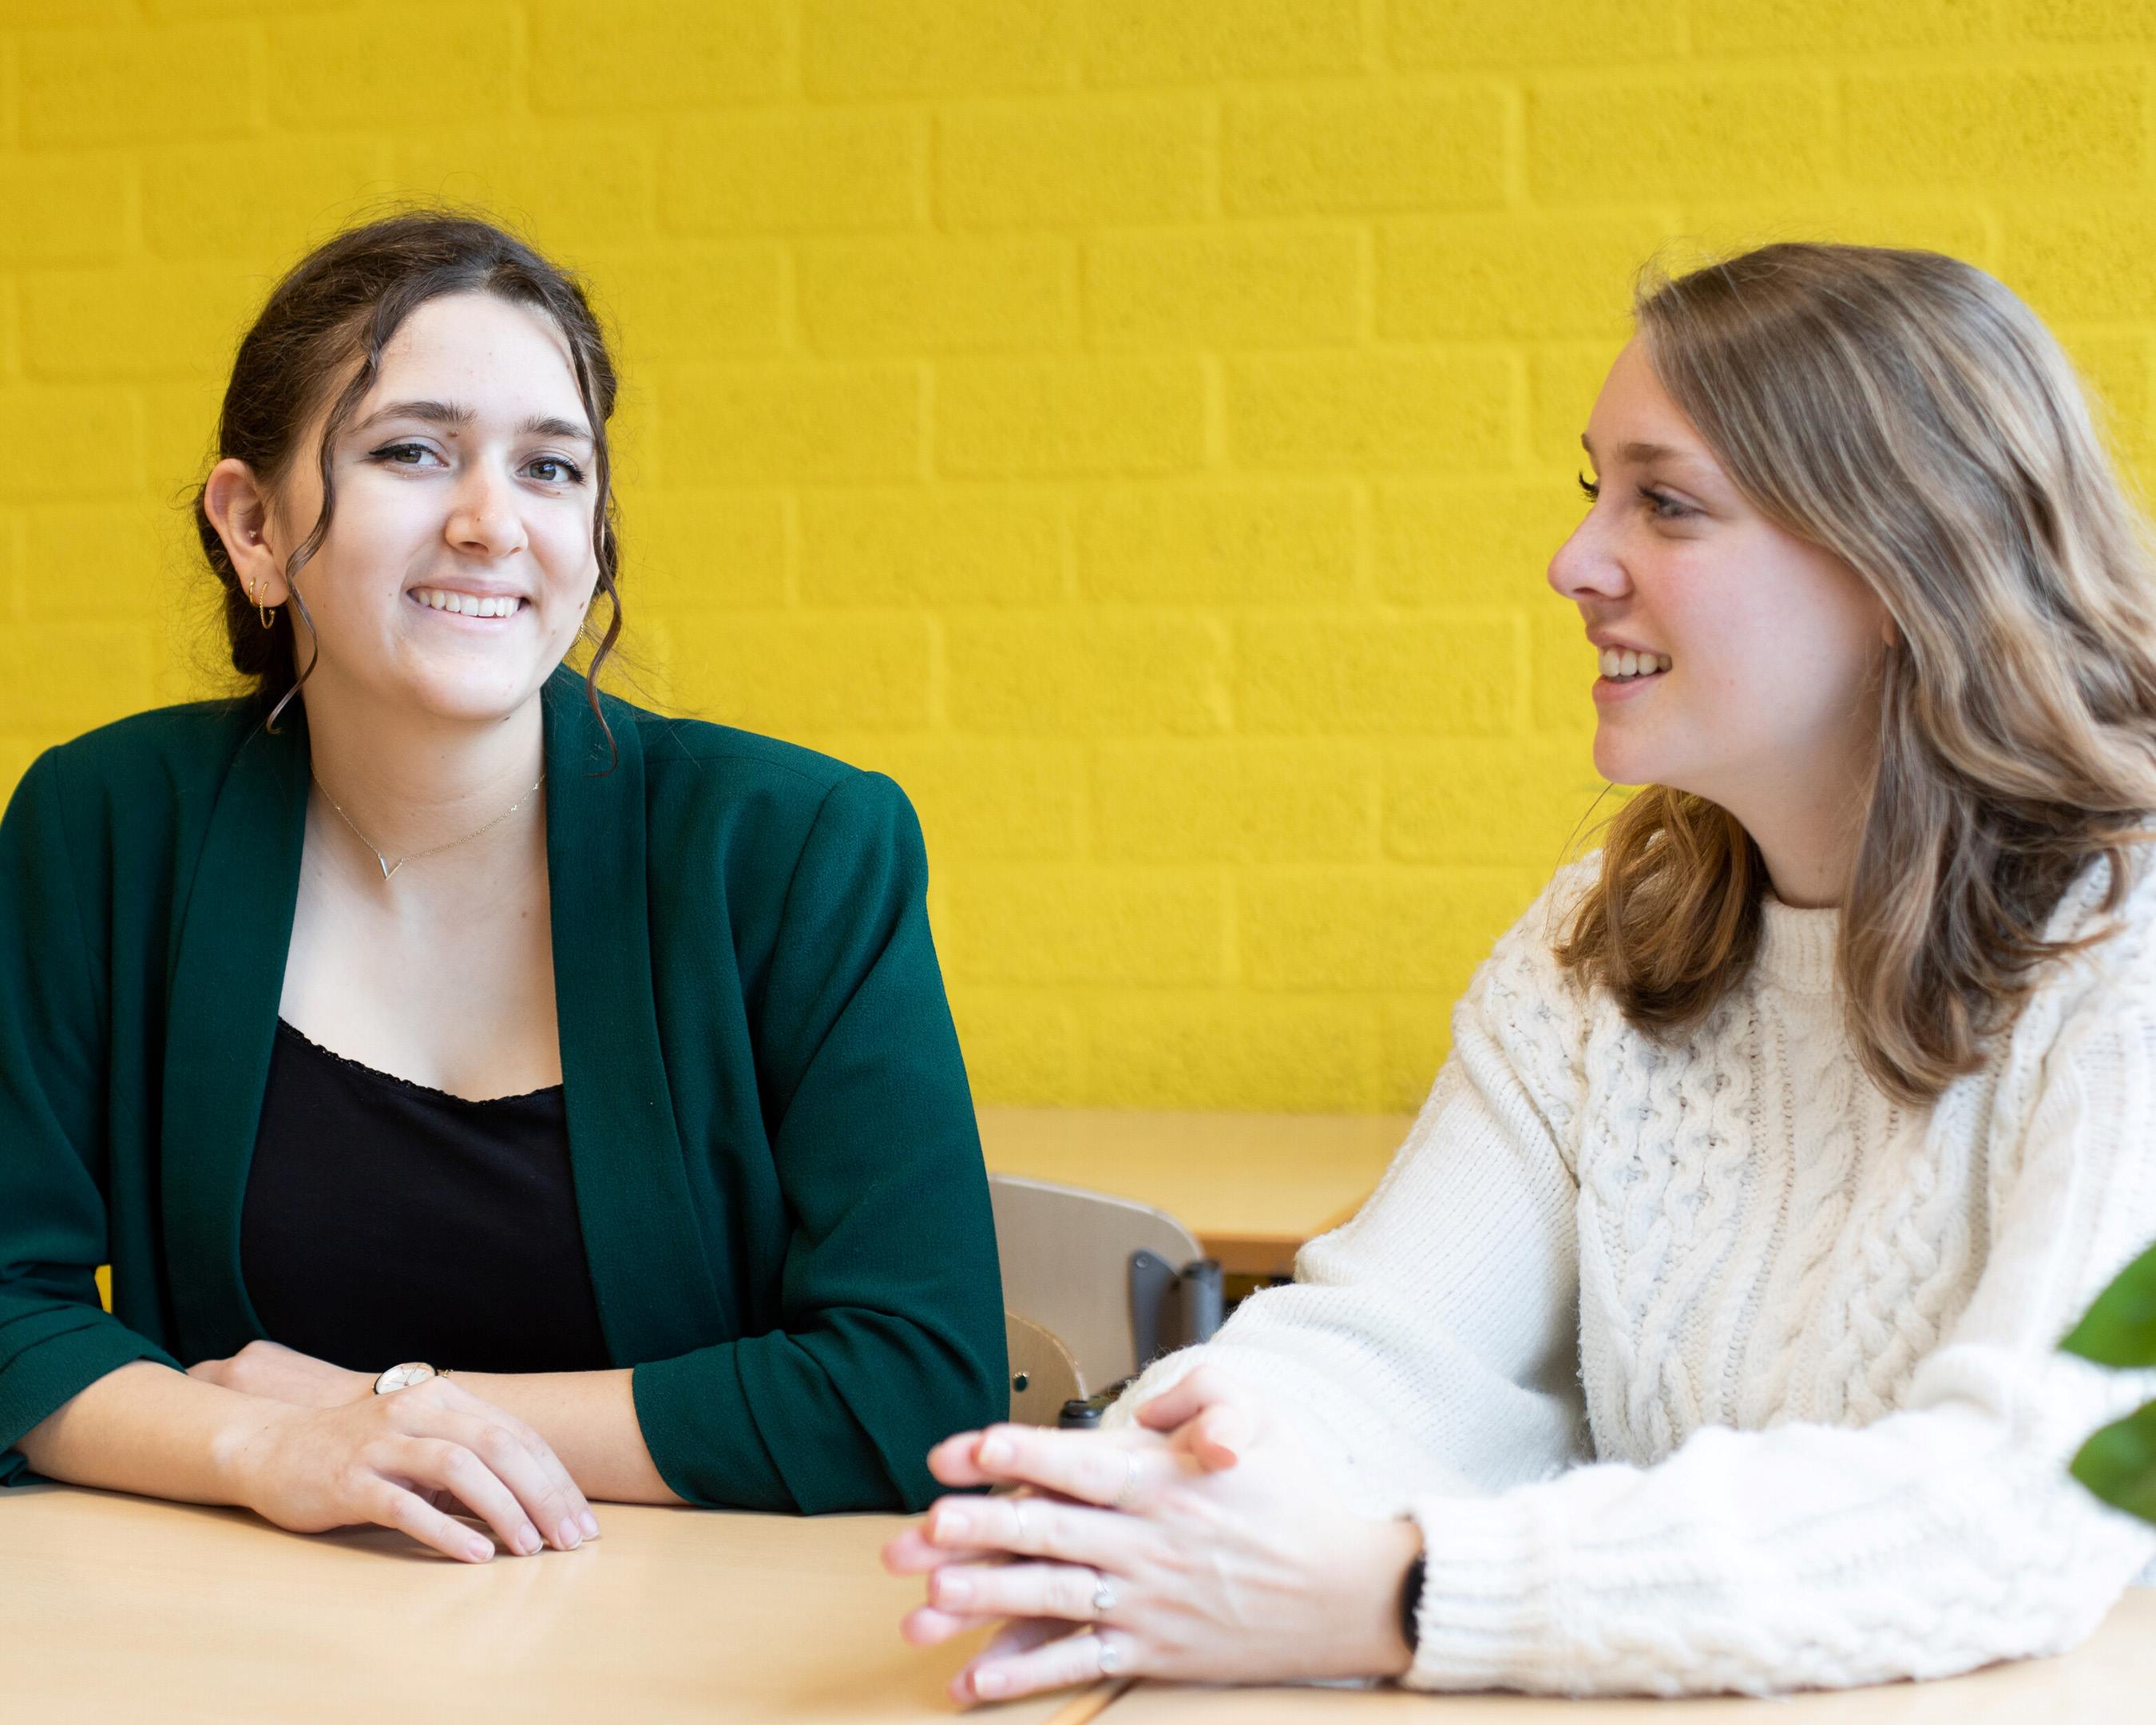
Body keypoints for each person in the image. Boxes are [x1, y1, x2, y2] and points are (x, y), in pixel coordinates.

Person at [886, 242, 2156, 1700]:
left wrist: (1403, 1597)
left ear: (1900, 564)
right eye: (1592, 493)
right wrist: (1152, 1490)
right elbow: (1393, 1346)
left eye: (1667, 505)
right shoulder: (1609, 942)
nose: (1575, 564)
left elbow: (2030, 1506)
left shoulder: (2128, 956)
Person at [0, 211, 1006, 1563]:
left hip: (691, 1653)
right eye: (411, 452)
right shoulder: (107, 825)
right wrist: (267, 1445)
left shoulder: (794, 847)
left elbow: (911, 1390)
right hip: (234, 1646)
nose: (491, 523)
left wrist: (388, 1412)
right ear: (252, 525)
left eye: (549, 467)